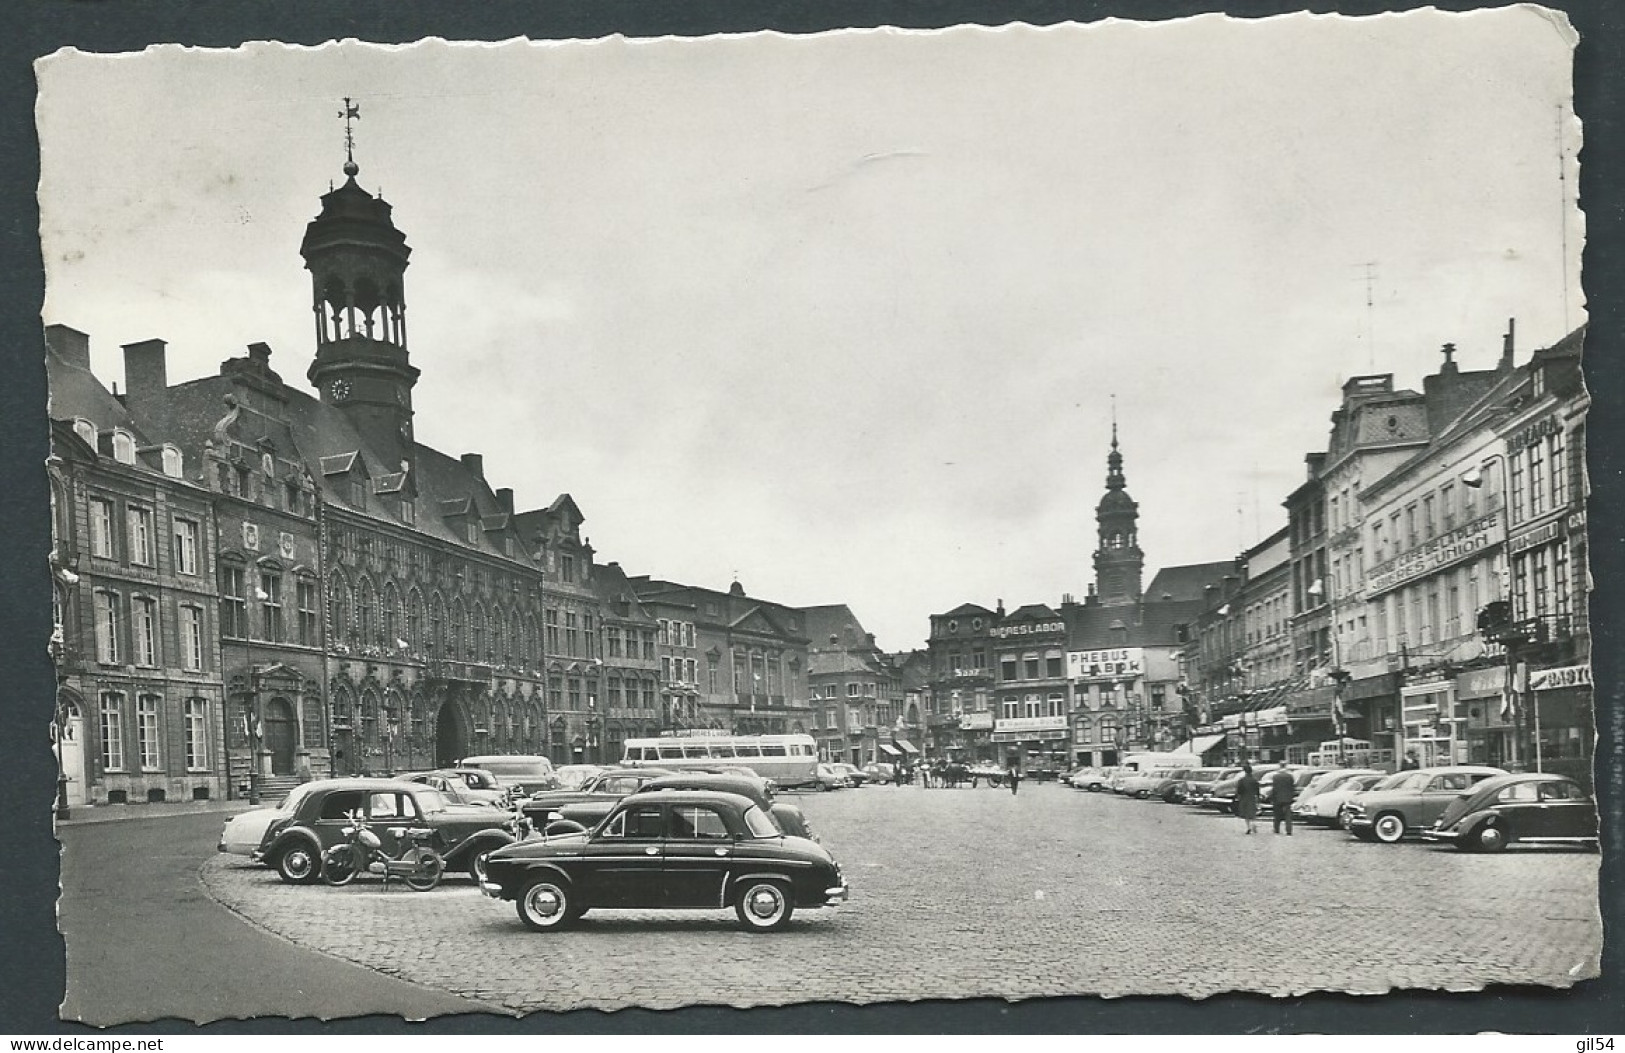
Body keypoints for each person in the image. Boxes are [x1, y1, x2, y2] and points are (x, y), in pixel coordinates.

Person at [1268, 761, 1296, 835]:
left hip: (1277, 798)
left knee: (1277, 815)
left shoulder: (1275, 777)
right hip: (1287, 798)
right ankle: (1289, 830)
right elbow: (1292, 787)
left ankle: (1276, 829)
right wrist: (1292, 796)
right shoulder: (1290, 776)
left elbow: (1274, 788)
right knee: (1288, 816)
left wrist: (1272, 797)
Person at [1235, 760, 1260, 834]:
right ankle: (1254, 823)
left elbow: (1239, 790)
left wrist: (1238, 796)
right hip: (1252, 797)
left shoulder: (1242, 780)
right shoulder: (1254, 780)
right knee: (1253, 812)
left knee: (1246, 813)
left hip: (1244, 797)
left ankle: (1248, 827)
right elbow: (1257, 790)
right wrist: (1258, 797)